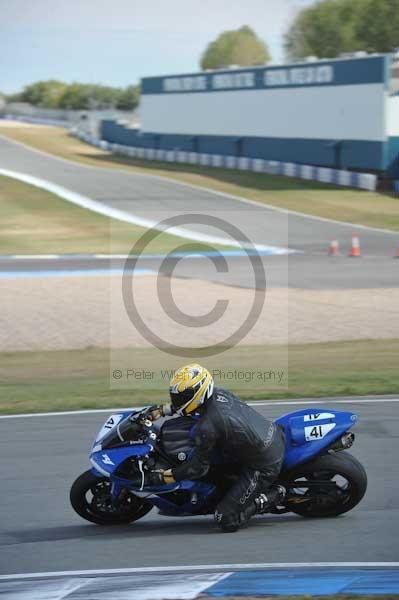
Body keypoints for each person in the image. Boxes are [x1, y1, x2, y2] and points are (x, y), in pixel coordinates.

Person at [145, 363, 286, 533]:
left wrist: (166, 477)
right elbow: (189, 406)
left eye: (182, 396)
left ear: (198, 393)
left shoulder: (208, 426)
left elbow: (197, 468)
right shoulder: (219, 393)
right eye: (176, 396)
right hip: (267, 434)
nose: (177, 400)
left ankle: (275, 494)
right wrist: (163, 410)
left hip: (264, 464)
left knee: (225, 518)